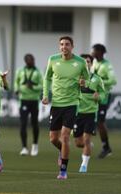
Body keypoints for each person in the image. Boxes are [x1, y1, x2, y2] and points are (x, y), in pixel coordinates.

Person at [42, 36, 89, 180]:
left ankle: (63, 170)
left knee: (65, 136)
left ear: (72, 46)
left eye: (67, 44)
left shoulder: (80, 62)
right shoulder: (53, 59)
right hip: (56, 104)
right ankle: (62, 151)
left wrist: (83, 83)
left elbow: (87, 81)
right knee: (53, 139)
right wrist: (45, 95)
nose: (64, 47)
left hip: (72, 103)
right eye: (61, 44)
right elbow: (47, 78)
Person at [73, 54, 105, 173]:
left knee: (86, 139)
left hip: (91, 113)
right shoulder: (75, 78)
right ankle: (88, 146)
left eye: (88, 61)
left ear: (91, 64)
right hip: (77, 113)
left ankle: (84, 165)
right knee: (78, 143)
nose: (86, 63)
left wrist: (99, 97)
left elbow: (103, 95)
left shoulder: (97, 79)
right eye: (83, 62)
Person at [91, 44, 117, 159]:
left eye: (94, 51)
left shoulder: (107, 65)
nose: (92, 52)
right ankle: (87, 141)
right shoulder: (94, 63)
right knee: (93, 120)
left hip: (104, 97)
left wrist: (99, 82)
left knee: (100, 123)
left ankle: (106, 147)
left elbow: (113, 80)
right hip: (93, 96)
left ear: (100, 52)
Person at [14, 54, 43, 156]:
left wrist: (33, 87)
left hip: (34, 100)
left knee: (34, 123)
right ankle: (24, 147)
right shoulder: (20, 71)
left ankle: (35, 145)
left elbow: (41, 86)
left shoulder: (38, 72)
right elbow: (16, 82)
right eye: (30, 60)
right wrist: (17, 89)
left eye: (33, 60)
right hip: (23, 100)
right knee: (23, 124)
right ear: (26, 61)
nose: (32, 61)